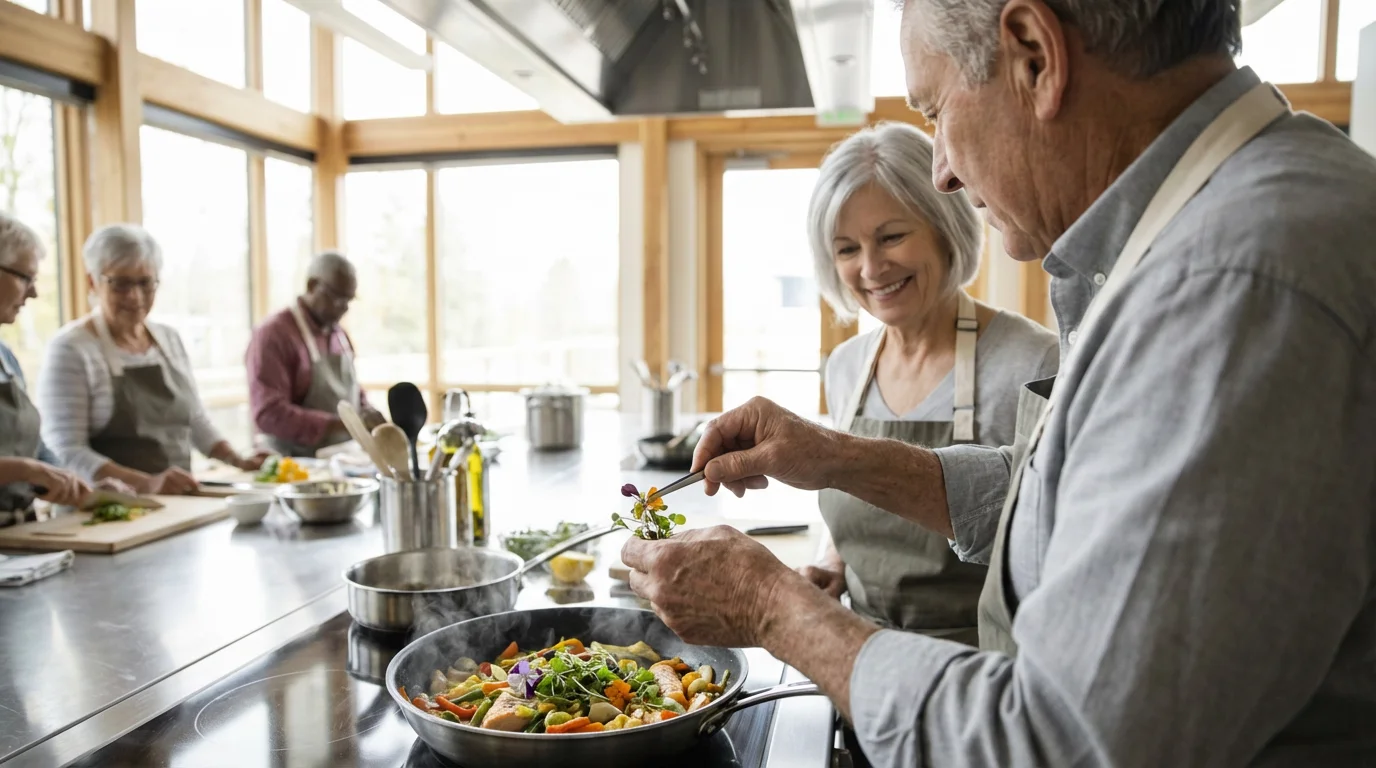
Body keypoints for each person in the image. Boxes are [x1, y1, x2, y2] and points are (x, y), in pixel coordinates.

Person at [622, 0, 1376, 765]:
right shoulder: (1217, 229)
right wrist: (833, 455)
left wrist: (770, 608)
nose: (943, 169)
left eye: (936, 109)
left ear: (1034, 57)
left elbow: (1064, 743)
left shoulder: (1232, 285)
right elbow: (1055, 491)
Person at [803, 122, 1057, 641]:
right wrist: (833, 561)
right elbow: (855, 507)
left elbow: (1052, 539)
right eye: (847, 248)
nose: (871, 268)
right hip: (858, 653)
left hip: (983, 672)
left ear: (946, 228)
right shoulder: (846, 366)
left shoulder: (1030, 361)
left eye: (892, 236)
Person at [39, 224, 267, 495]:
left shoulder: (168, 339)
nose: (135, 296)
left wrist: (238, 459)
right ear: (93, 282)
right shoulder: (71, 349)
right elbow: (64, 449)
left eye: (145, 283)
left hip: (175, 504)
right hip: (106, 512)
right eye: (121, 284)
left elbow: (194, 420)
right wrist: (146, 483)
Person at [245, 251, 383, 457]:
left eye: (349, 300)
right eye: (337, 297)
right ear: (311, 285)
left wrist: (368, 413)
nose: (344, 307)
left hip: (343, 459)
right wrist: (341, 424)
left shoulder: (339, 335)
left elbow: (352, 390)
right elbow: (269, 414)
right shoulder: (273, 334)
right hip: (292, 466)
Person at [0, 212, 91, 523]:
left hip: (20, 538)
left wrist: (78, 485)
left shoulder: (5, 357)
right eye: (25, 277)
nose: (34, 292)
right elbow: (29, 464)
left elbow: (33, 447)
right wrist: (26, 470)